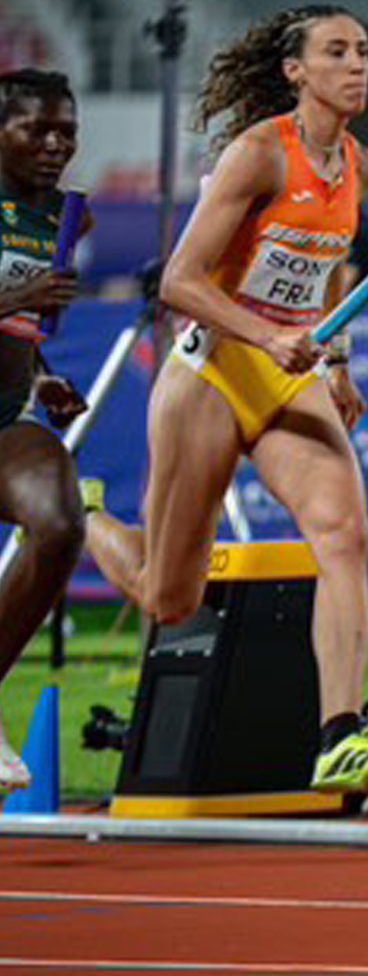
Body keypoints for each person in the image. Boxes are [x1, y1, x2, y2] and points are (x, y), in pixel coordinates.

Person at [82, 6, 368, 798]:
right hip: (209, 373)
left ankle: (338, 734)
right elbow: (179, 282)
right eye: (336, 52)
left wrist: (337, 359)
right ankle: (86, 516)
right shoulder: (259, 155)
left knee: (344, 534)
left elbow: (331, 264)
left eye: (364, 51)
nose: (357, 65)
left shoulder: (361, 168)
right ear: (297, 71)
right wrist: (268, 339)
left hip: (290, 375)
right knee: (171, 594)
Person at [0, 69, 89, 793]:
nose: (56, 144)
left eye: (67, 131)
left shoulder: (64, 219)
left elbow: (21, 330)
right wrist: (17, 294)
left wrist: (40, 376)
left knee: (60, 525)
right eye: (38, 129)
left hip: (5, 420)